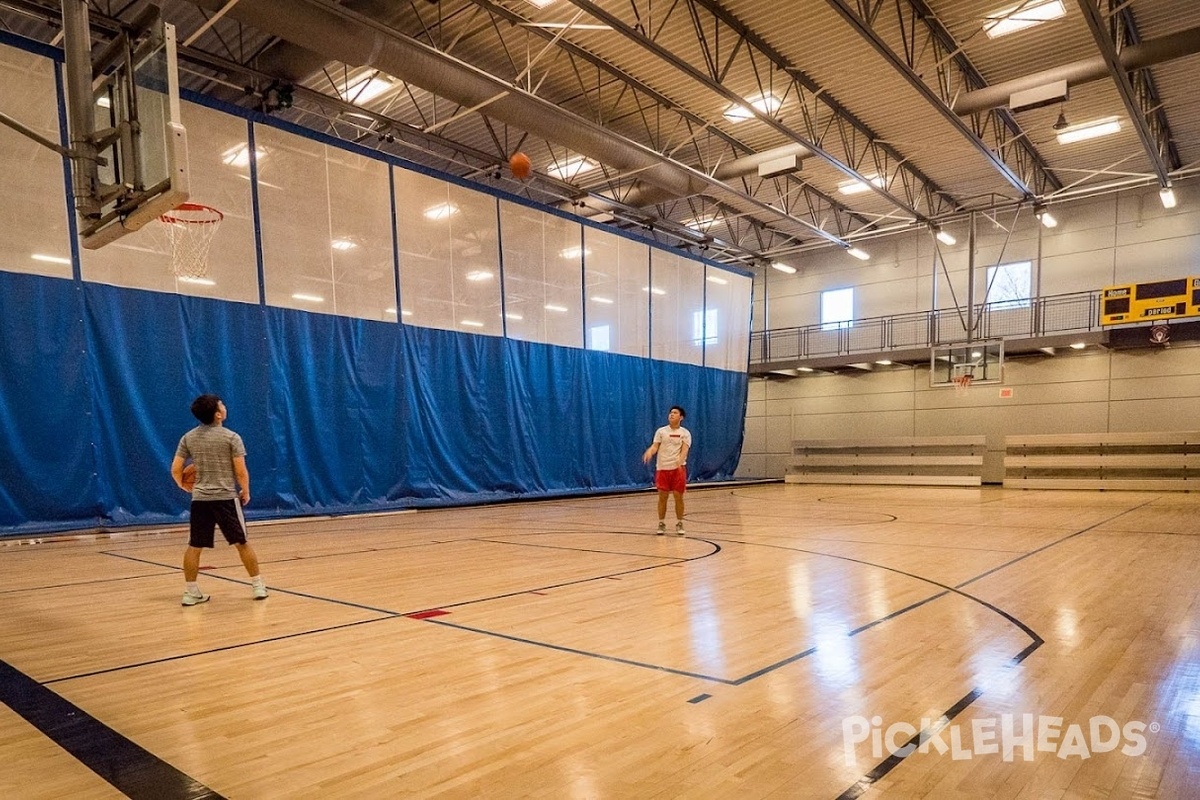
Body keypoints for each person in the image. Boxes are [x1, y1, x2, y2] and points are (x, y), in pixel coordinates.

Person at [170, 394, 267, 605]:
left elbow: (176, 469)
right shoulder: (231, 437)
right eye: (221, 404)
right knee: (242, 543)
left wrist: (183, 484)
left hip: (200, 500)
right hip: (225, 498)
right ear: (218, 414)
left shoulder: (188, 438)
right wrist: (246, 491)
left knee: (194, 546)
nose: (224, 406)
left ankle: (190, 592)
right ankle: (258, 586)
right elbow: (241, 471)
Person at [642, 405, 692, 536]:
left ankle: (680, 522)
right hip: (662, 468)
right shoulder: (661, 431)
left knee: (678, 497)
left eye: (675, 413)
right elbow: (655, 446)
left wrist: (679, 462)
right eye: (670, 412)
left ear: (681, 417)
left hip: (678, 470)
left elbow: (685, 450)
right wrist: (650, 452)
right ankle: (661, 523)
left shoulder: (685, 433)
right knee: (662, 497)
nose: (671, 414)